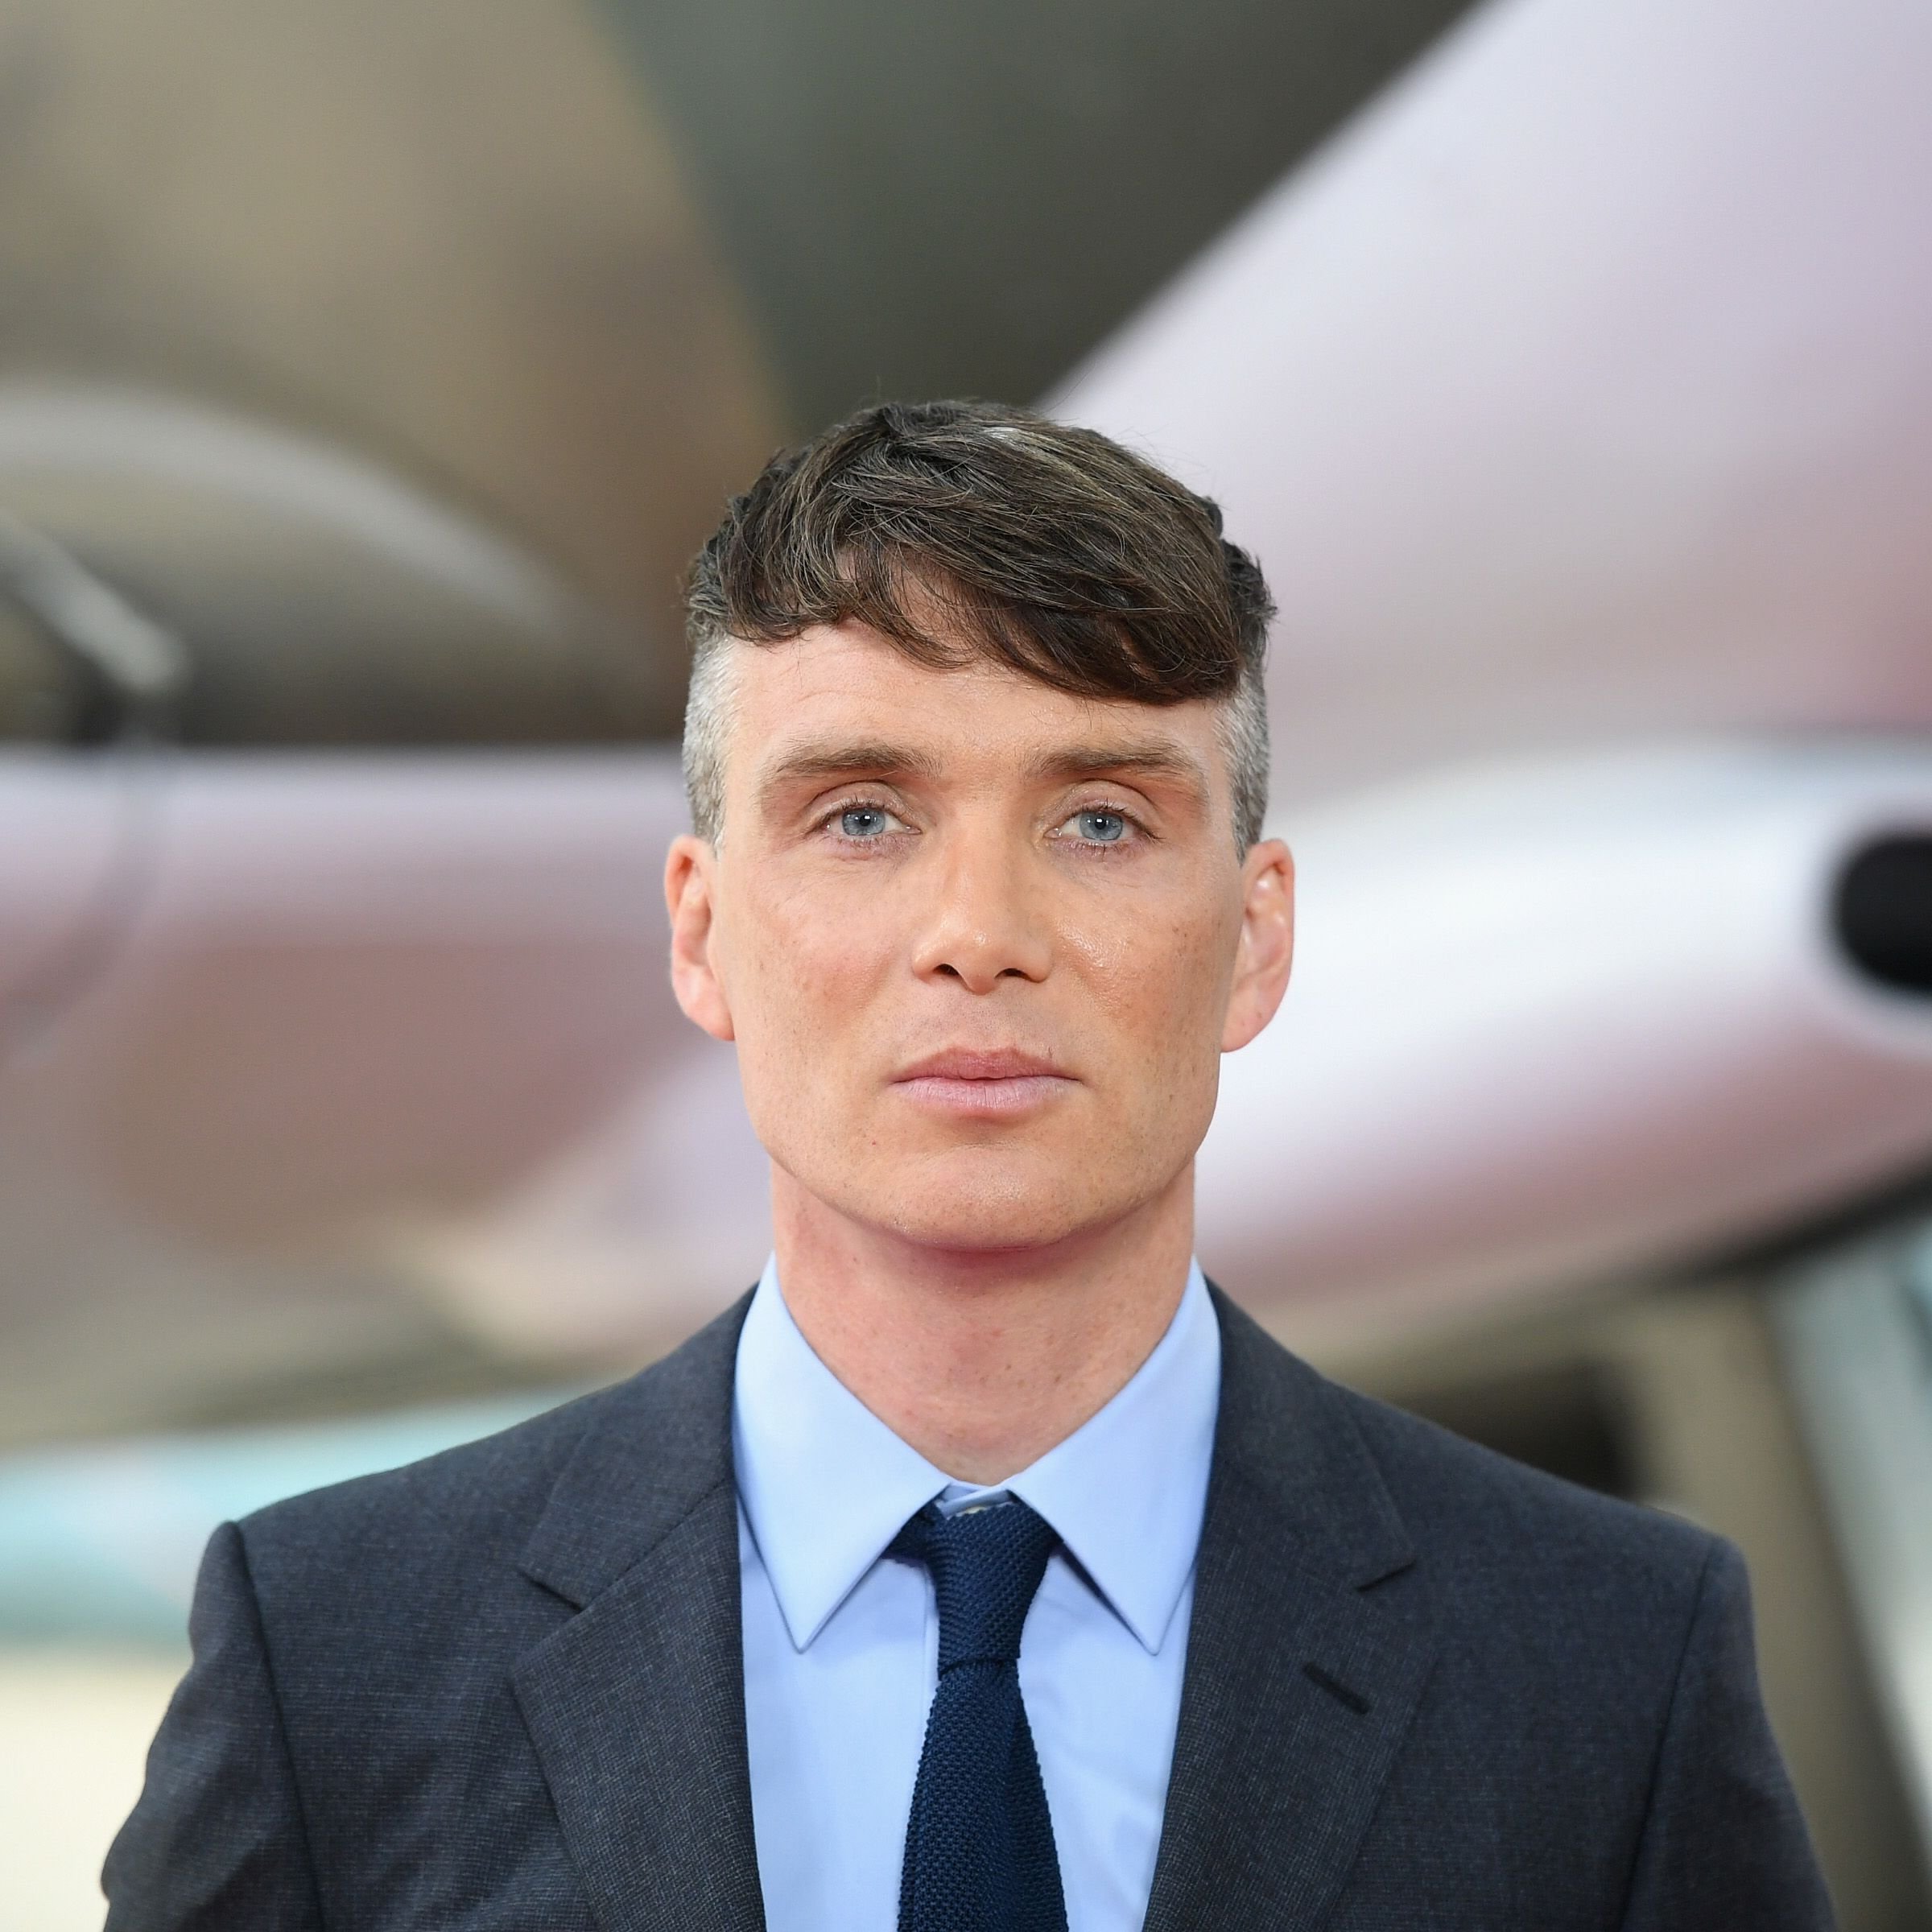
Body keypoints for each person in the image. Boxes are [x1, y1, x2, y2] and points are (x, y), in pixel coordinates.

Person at [104, 400, 1834, 1930]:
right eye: (862, 815)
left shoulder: (1611, 1670)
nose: (978, 935)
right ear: (703, 935)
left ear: (1254, 937)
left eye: (1101, 819)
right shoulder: (333, 1658)